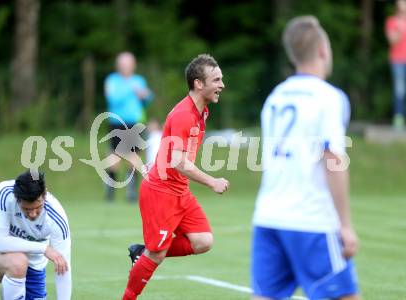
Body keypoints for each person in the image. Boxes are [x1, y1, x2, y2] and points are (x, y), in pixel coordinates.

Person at [251, 16, 360, 300]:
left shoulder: (275, 97)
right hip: (311, 221)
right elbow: (333, 159)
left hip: (269, 218)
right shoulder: (329, 97)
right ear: (323, 51)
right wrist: (345, 224)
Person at [121, 54, 229, 300]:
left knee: (203, 241)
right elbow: (178, 161)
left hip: (179, 189)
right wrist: (212, 181)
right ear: (198, 84)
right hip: (161, 192)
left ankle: (143, 252)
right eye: (216, 79)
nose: (222, 84)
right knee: (156, 255)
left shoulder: (202, 113)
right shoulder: (184, 115)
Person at [0, 170, 71, 300]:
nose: (32, 214)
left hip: (34, 268)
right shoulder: (4, 192)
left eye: (37, 208)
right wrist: (44, 248)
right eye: (26, 209)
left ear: (44, 195)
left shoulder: (56, 218)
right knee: (18, 262)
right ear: (17, 199)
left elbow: (63, 267)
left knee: (21, 263)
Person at [104, 51, 153, 202]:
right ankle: (110, 192)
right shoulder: (112, 80)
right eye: (123, 64)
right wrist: (130, 89)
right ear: (118, 66)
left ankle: (131, 193)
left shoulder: (139, 80)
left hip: (135, 123)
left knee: (134, 157)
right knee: (115, 157)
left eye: (129, 64)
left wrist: (145, 95)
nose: (126, 67)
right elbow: (112, 99)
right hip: (117, 123)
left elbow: (147, 99)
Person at [385, 0, 406, 131]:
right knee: (399, 90)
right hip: (397, 60)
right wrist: (400, 29)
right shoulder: (392, 21)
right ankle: (398, 118)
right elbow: (392, 40)